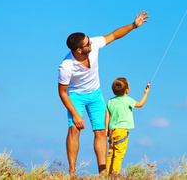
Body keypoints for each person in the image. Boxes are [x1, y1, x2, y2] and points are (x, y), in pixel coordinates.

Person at [57, 11, 149, 175]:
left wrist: (134, 25)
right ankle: (72, 172)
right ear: (79, 50)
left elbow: (113, 35)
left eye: (89, 40)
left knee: (101, 131)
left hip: (95, 94)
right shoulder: (66, 66)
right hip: (75, 96)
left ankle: (103, 173)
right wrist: (76, 115)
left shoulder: (94, 45)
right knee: (74, 130)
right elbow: (63, 93)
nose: (91, 43)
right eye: (87, 43)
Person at [105, 77, 150, 175]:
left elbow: (107, 114)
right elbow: (140, 104)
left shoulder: (110, 101)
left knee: (111, 154)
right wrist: (146, 93)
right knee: (118, 154)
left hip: (112, 130)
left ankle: (107, 175)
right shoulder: (128, 100)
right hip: (122, 131)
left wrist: (106, 129)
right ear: (127, 90)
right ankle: (114, 176)